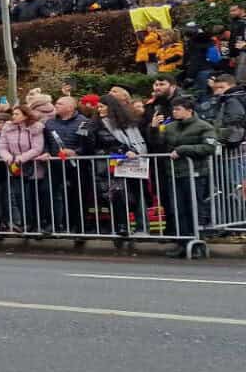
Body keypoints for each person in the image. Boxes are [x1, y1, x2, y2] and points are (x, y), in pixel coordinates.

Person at [148, 97, 216, 256]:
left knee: (193, 208)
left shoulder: (203, 126)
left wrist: (184, 149)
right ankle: (182, 243)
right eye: (174, 109)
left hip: (195, 174)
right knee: (178, 209)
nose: (174, 112)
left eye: (178, 109)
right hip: (174, 173)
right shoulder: (170, 127)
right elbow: (157, 143)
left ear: (189, 110)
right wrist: (153, 128)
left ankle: (197, 242)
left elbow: (209, 147)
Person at [88, 94, 148, 236]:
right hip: (111, 165)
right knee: (116, 195)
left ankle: (142, 227)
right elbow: (94, 146)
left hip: (133, 163)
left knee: (137, 195)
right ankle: (121, 226)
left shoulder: (128, 123)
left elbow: (138, 141)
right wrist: (117, 151)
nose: (99, 109)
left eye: (102, 106)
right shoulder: (96, 124)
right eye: (98, 106)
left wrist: (133, 151)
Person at [45, 96, 93, 234]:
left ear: (70, 107)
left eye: (60, 103)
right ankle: (57, 224)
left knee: (77, 196)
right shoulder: (50, 123)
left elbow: (87, 144)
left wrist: (75, 152)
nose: (56, 105)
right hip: (55, 165)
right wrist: (46, 152)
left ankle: (78, 227)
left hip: (77, 166)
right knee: (53, 195)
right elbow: (46, 142)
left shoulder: (83, 122)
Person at [0, 105, 47, 232]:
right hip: (14, 165)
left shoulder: (36, 127)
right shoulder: (7, 128)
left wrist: (21, 158)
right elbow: (2, 146)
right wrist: (9, 158)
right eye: (13, 114)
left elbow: (37, 148)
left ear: (25, 115)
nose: (13, 116)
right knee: (19, 195)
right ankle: (26, 222)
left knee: (32, 195)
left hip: (32, 165)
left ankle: (37, 223)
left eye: (16, 114)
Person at [206, 74, 246, 148]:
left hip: (233, 141)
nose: (219, 90)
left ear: (232, 86)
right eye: (216, 88)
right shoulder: (235, 97)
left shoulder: (232, 100)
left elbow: (234, 120)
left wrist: (218, 134)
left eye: (221, 87)